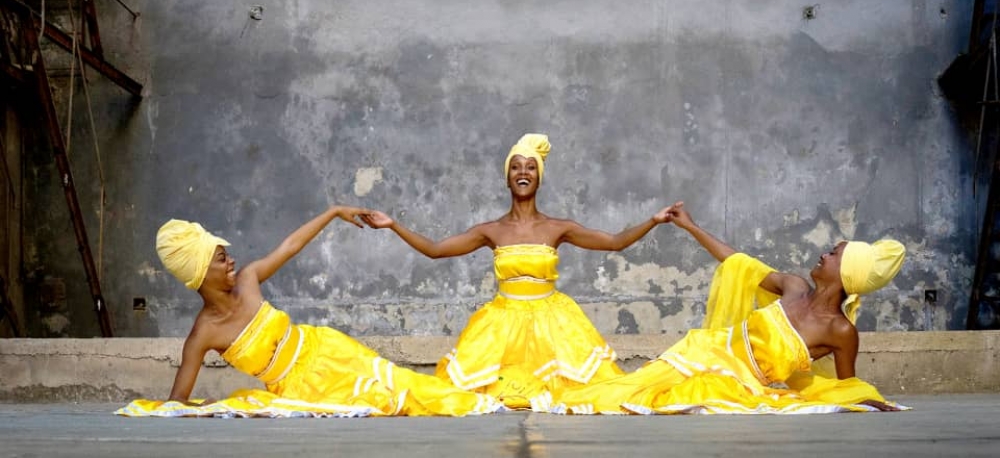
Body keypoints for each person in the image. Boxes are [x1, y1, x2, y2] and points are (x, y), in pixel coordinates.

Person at [362, 133, 680, 411]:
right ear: (507, 177)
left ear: (538, 177)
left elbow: (613, 242)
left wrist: (653, 220)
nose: (523, 172)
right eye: (516, 167)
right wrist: (393, 225)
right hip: (502, 324)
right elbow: (435, 250)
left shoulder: (558, 228)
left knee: (588, 392)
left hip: (554, 324)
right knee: (466, 393)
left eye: (530, 167)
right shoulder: (492, 230)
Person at [116, 205, 503, 418]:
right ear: (200, 272)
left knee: (403, 384)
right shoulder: (203, 335)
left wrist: (334, 212)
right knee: (386, 404)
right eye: (221, 257)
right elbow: (177, 402)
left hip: (328, 349)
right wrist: (200, 410)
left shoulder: (249, 279)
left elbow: (289, 246)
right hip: (299, 388)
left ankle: (479, 401)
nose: (231, 260)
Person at [551, 202, 907, 414]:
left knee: (661, 400)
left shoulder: (841, 331)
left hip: (735, 381)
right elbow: (737, 261)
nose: (824, 254)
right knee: (633, 388)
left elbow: (846, 387)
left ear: (846, 273)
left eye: (834, 254)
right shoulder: (794, 286)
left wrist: (871, 400)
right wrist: (690, 226)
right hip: (706, 349)